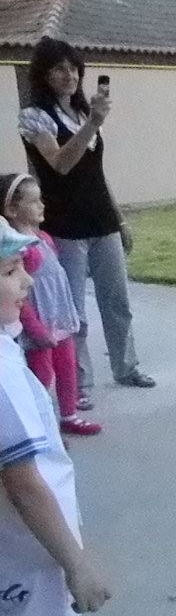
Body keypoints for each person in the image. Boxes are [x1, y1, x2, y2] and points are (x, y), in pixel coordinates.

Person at [0, 217, 112, 616]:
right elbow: (23, 483)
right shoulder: (2, 373)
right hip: (30, 559)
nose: (27, 279)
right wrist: (76, 564)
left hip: (16, 555)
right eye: (10, 271)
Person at [18, 36, 155, 410]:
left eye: (74, 68)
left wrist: (120, 218)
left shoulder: (82, 114)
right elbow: (60, 164)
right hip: (66, 225)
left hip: (102, 220)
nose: (69, 75)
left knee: (117, 301)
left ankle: (126, 367)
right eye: (59, 68)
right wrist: (93, 123)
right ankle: (78, 382)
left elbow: (97, 174)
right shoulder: (35, 118)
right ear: (44, 75)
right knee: (73, 310)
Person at [1, 173, 101, 437]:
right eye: (34, 201)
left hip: (58, 317)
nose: (41, 205)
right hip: (39, 322)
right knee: (42, 374)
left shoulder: (44, 237)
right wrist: (35, 329)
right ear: (12, 210)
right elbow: (21, 295)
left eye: (40, 199)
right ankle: (41, 425)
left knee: (67, 366)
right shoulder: (18, 249)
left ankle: (69, 415)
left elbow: (55, 278)